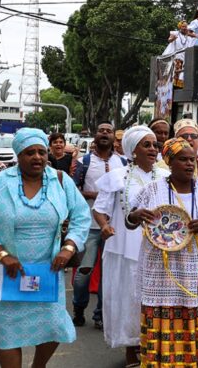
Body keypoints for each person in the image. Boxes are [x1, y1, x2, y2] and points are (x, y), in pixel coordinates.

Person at [0, 128, 90, 368]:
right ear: (18, 155)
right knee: (7, 332)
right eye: (29, 152)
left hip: (47, 271)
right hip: (7, 273)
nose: (37, 157)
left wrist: (69, 246)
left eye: (41, 152)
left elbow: (81, 216)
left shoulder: (60, 181)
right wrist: (1, 254)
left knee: (54, 325)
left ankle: (38, 366)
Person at [126, 138, 198, 367]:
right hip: (160, 273)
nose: (189, 164)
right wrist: (135, 216)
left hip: (195, 268)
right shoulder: (152, 189)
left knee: (192, 317)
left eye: (192, 159)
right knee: (162, 316)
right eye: (182, 159)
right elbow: (130, 221)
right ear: (169, 162)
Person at [92, 126, 166, 367]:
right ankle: (132, 349)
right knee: (128, 299)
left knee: (154, 299)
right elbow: (100, 209)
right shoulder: (117, 176)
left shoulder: (165, 177)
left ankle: (153, 346)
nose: (153, 149)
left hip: (159, 249)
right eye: (147, 145)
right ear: (133, 151)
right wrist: (104, 226)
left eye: (155, 145)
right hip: (124, 247)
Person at [71, 121, 128, 329]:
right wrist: (97, 194)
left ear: (114, 137)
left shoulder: (123, 162)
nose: (104, 133)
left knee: (109, 273)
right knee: (83, 272)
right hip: (89, 226)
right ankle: (78, 307)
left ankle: (101, 314)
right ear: (95, 136)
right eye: (101, 130)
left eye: (109, 131)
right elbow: (73, 189)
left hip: (115, 228)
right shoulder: (84, 161)